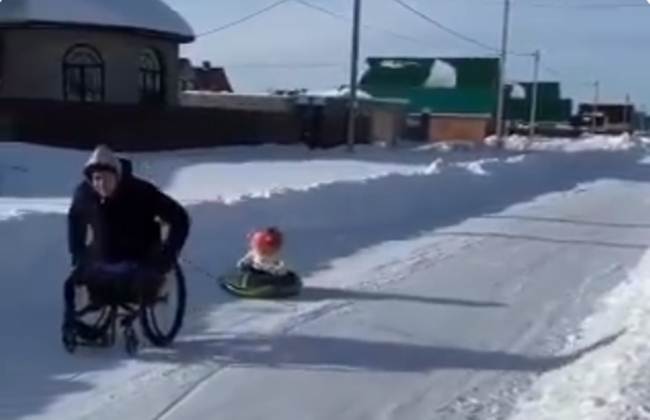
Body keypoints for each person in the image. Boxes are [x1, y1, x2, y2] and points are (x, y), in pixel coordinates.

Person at [63, 144, 190, 335]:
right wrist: (77, 253)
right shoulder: (85, 194)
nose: (101, 184)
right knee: (71, 283)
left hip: (140, 255)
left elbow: (179, 218)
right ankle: (72, 324)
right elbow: (75, 221)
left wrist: (168, 254)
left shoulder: (142, 192)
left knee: (137, 282)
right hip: (103, 254)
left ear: (117, 176)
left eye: (106, 178)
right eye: (97, 179)